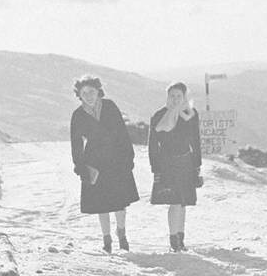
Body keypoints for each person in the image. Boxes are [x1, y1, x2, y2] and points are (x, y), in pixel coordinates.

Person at [69, 74, 139, 252]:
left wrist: (128, 157)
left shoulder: (110, 106)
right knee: (102, 203)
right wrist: (80, 166)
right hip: (94, 162)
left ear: (98, 91)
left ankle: (121, 233)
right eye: (84, 93)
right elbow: (76, 144)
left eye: (91, 91)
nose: (88, 96)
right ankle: (106, 239)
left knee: (120, 201)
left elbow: (123, 133)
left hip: (116, 158)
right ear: (79, 95)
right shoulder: (77, 115)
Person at [148, 82, 202, 252]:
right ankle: (174, 241)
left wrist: (197, 165)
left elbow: (195, 140)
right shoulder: (158, 116)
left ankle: (180, 238)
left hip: (186, 162)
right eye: (172, 96)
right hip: (167, 164)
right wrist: (155, 168)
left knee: (183, 202)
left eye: (179, 96)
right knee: (175, 202)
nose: (175, 99)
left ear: (184, 97)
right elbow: (152, 145)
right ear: (167, 96)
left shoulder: (191, 114)